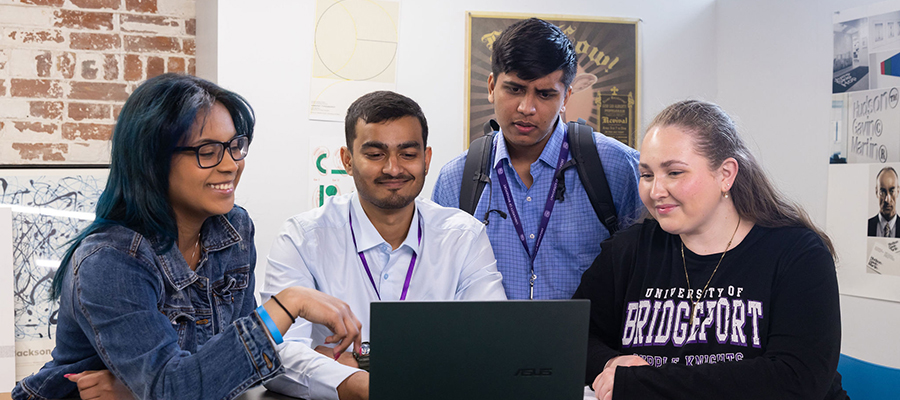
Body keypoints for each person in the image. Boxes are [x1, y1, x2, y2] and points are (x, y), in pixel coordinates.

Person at [12, 74, 361, 400]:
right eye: (207, 152)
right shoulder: (110, 260)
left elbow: (229, 370)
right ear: (153, 160)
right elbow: (178, 388)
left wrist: (140, 390)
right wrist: (288, 304)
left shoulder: (233, 229)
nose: (230, 165)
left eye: (235, 145)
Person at [573, 100, 847, 399]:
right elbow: (572, 338)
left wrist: (643, 383)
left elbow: (796, 379)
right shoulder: (627, 251)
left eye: (674, 173)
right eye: (647, 175)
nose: (656, 191)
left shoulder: (797, 253)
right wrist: (611, 362)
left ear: (726, 174)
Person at [262, 91, 507, 400]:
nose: (393, 168)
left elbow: (491, 347)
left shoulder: (464, 237)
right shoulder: (302, 238)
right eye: (376, 154)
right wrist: (360, 384)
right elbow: (274, 353)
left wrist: (342, 370)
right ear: (347, 161)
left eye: (408, 153)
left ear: (426, 159)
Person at [432, 18, 643, 300]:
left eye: (545, 94)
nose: (526, 108)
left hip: (591, 344)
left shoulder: (616, 166)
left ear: (566, 96)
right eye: (515, 89)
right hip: (488, 343)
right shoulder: (455, 180)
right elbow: (437, 286)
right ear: (492, 86)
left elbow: (650, 268)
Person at [867, 166, 899, 237]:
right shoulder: (865, 227)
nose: (887, 200)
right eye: (882, 192)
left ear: (898, 191)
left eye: (892, 191)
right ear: (876, 192)